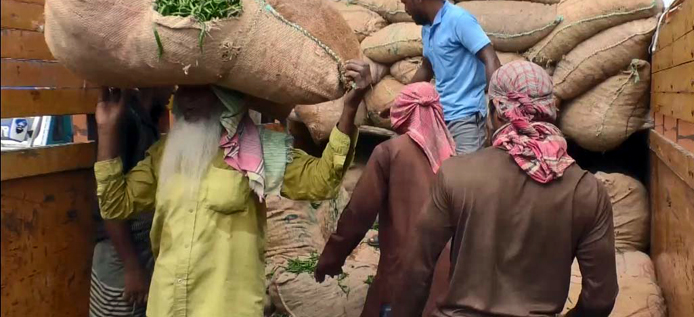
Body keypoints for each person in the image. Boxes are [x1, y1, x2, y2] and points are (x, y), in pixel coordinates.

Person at [93, 60, 372, 317]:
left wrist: (348, 110)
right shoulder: (165, 154)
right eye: (182, 90)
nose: (185, 100)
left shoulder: (256, 150)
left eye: (199, 90)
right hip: (168, 305)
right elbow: (116, 204)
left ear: (225, 97)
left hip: (226, 307)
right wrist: (106, 130)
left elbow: (322, 181)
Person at [394, 61, 618, 317]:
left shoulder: (456, 174)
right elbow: (601, 299)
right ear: (550, 111)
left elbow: (415, 271)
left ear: (496, 111)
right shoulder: (587, 190)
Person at [314, 82, 455, 317]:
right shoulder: (454, 155)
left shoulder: (390, 151)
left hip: (402, 276)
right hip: (449, 281)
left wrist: (331, 258)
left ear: (404, 111)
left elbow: (359, 213)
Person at [388, 0, 501, 155]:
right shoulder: (428, 28)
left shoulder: (459, 20)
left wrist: (495, 110)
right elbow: (427, 67)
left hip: (466, 118)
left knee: (463, 179)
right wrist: (400, 101)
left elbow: (491, 59)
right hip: (440, 114)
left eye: (405, 2)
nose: (406, 9)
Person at [90, 87, 172, 317]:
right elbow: (109, 202)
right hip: (122, 251)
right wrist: (132, 267)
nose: (173, 88)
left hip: (140, 248)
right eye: (169, 81)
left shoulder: (147, 120)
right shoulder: (123, 120)